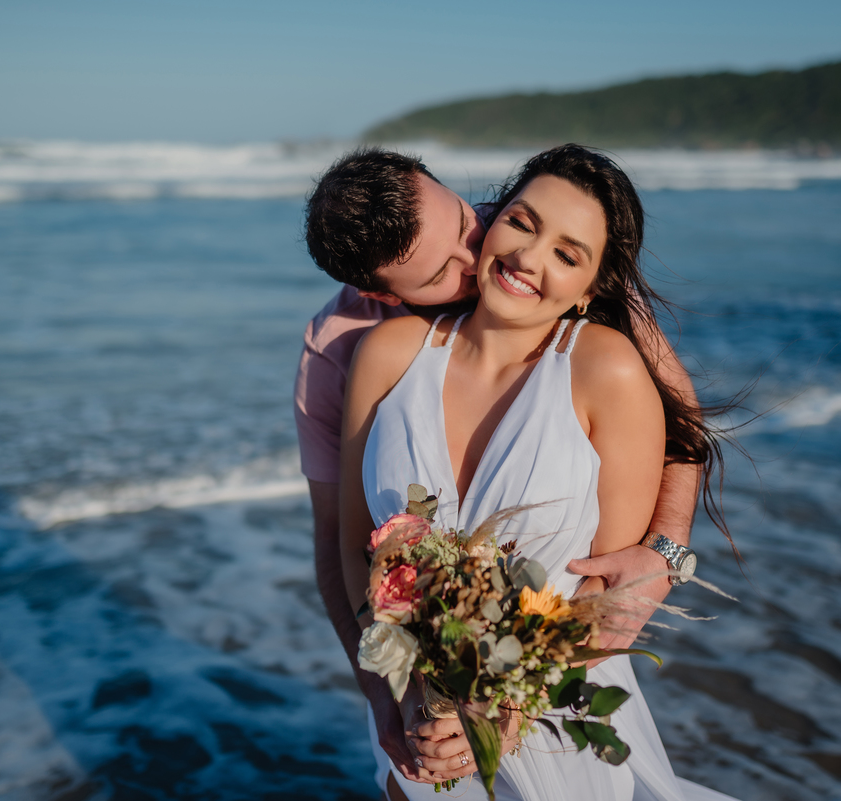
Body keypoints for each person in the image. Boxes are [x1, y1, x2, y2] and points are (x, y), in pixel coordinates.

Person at [296, 148, 703, 791]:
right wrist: (388, 693)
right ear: (381, 292)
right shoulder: (356, 349)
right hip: (421, 728)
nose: (501, 255)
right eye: (439, 272)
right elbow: (343, 543)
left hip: (552, 713)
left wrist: (667, 551)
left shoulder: (593, 338)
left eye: (467, 225)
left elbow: (682, 437)